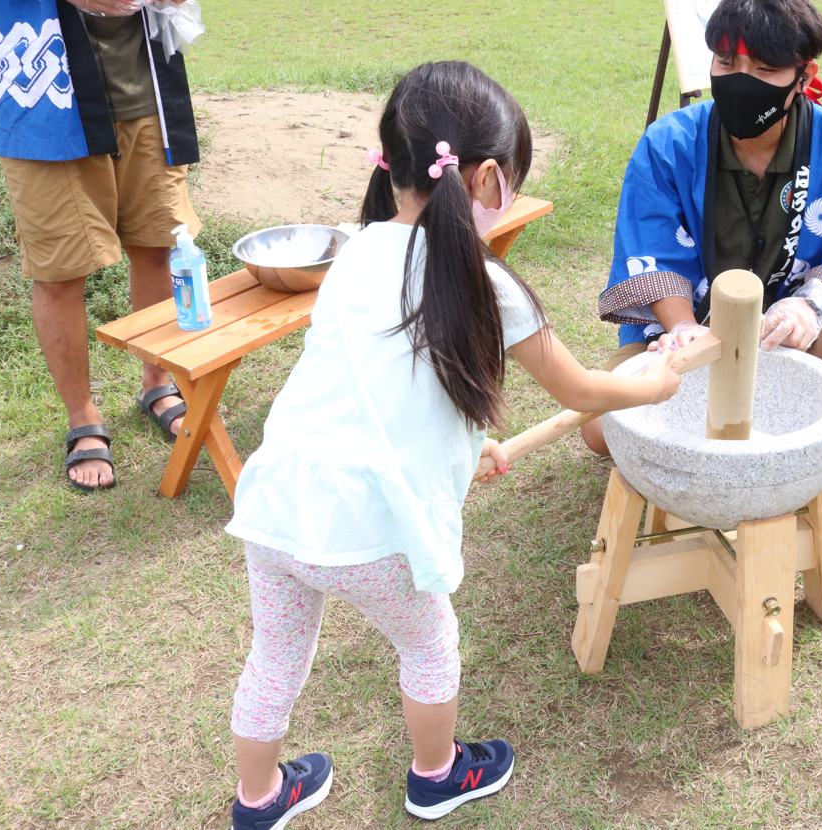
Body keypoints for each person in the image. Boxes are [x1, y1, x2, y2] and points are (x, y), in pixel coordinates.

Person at [219, 62, 682, 828]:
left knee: (276, 655)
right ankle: (435, 776)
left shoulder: (350, 254)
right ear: (489, 178)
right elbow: (583, 393)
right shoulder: (487, 286)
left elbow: (383, 396)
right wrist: (656, 381)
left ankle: (259, 799)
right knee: (430, 643)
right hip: (371, 531)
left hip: (275, 509)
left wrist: (473, 450)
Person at [582, 0, 822, 537]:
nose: (741, 81)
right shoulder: (668, 143)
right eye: (727, 63)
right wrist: (681, 327)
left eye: (764, 70)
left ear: (804, 76)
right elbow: (652, 253)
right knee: (598, 431)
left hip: (786, 339)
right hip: (687, 339)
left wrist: (813, 304)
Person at [0, 0, 201, 491]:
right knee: (59, 272)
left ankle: (157, 384)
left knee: (156, 247)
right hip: (42, 95)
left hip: (146, 88)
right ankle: (82, 417)